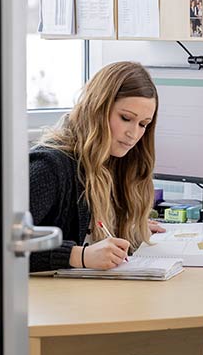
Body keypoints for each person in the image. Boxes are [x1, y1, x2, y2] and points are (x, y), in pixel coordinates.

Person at [28, 61, 165, 272]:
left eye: (143, 124)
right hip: (43, 292)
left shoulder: (117, 161)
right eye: (126, 118)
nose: (134, 134)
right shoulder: (49, 166)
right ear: (97, 109)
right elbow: (1, 245)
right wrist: (79, 256)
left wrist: (125, 225)